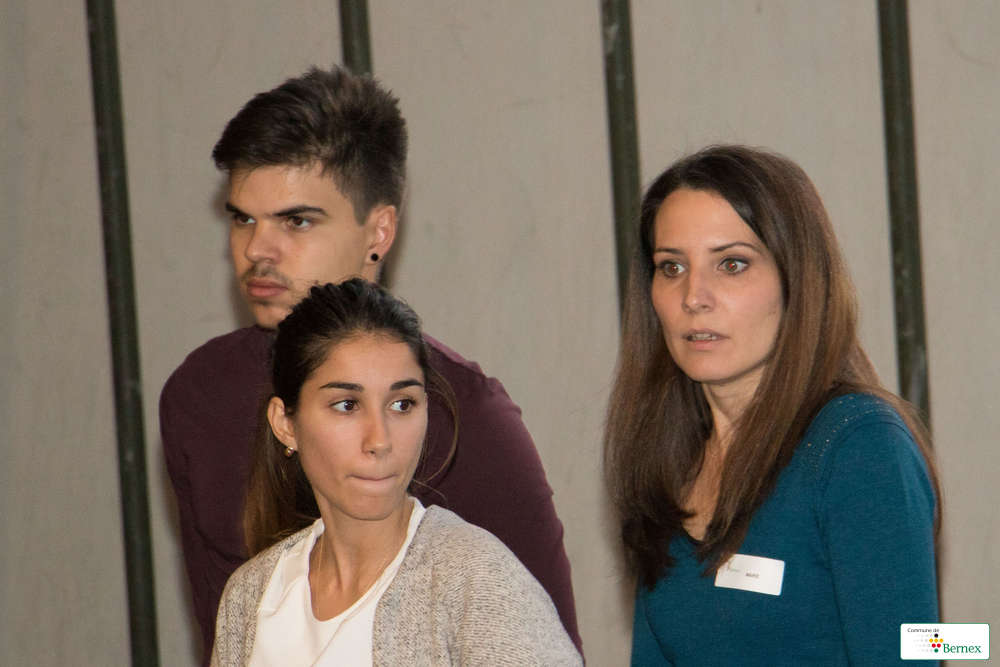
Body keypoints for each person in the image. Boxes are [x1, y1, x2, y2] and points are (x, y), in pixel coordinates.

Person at [160, 66, 580, 662]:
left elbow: (540, 639)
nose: (256, 249)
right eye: (242, 218)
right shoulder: (199, 396)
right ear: (283, 421)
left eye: (297, 220)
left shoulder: (470, 415)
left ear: (378, 231)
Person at [603, 145, 940, 666]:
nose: (694, 296)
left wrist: (979, 640)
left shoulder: (860, 444)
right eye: (671, 267)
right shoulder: (663, 454)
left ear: (797, 281)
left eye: (731, 264)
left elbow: (924, 645)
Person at [212, 279, 581, 667]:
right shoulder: (250, 596)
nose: (380, 440)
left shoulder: (476, 581)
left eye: (402, 404)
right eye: (347, 405)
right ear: (285, 424)